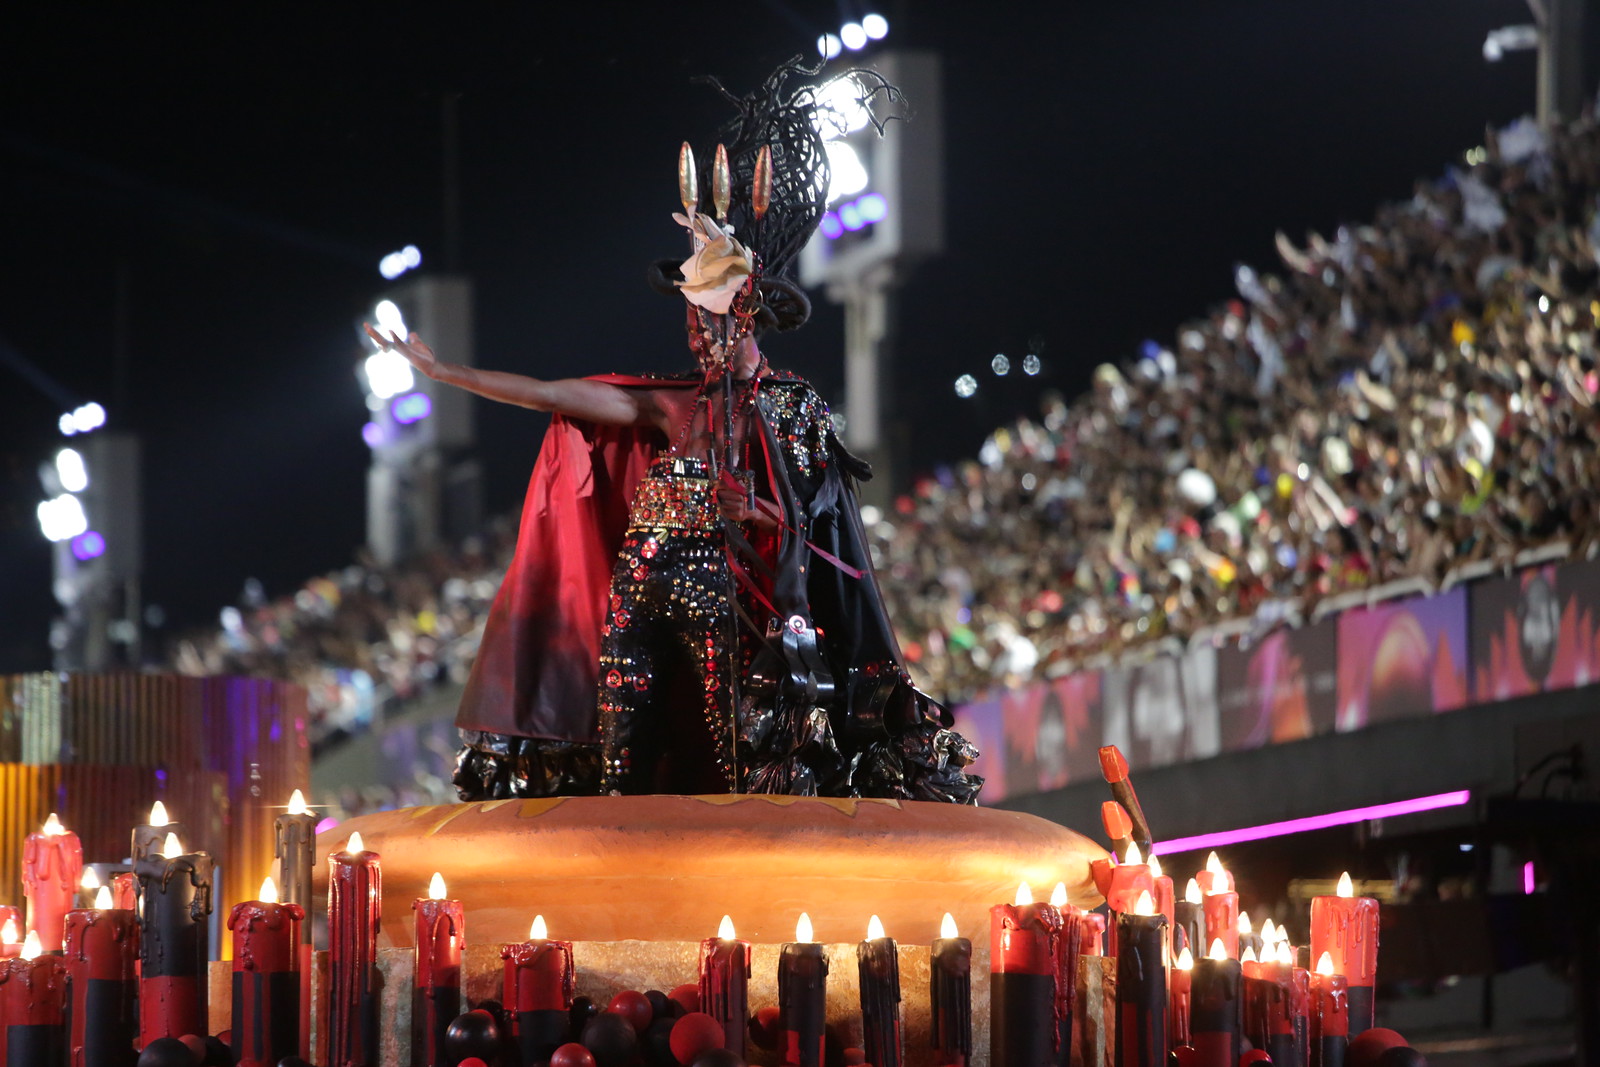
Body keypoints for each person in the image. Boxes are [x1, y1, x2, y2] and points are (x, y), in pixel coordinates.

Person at [370, 59, 980, 804]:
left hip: (717, 581)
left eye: (708, 314)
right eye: (691, 314)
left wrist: (756, 512)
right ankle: (618, 825)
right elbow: (551, 394)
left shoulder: (790, 405)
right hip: (643, 569)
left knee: (732, 733)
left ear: (744, 315)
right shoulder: (669, 403)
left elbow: (814, 520)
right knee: (624, 718)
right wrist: (445, 373)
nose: (696, 329)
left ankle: (740, 833)